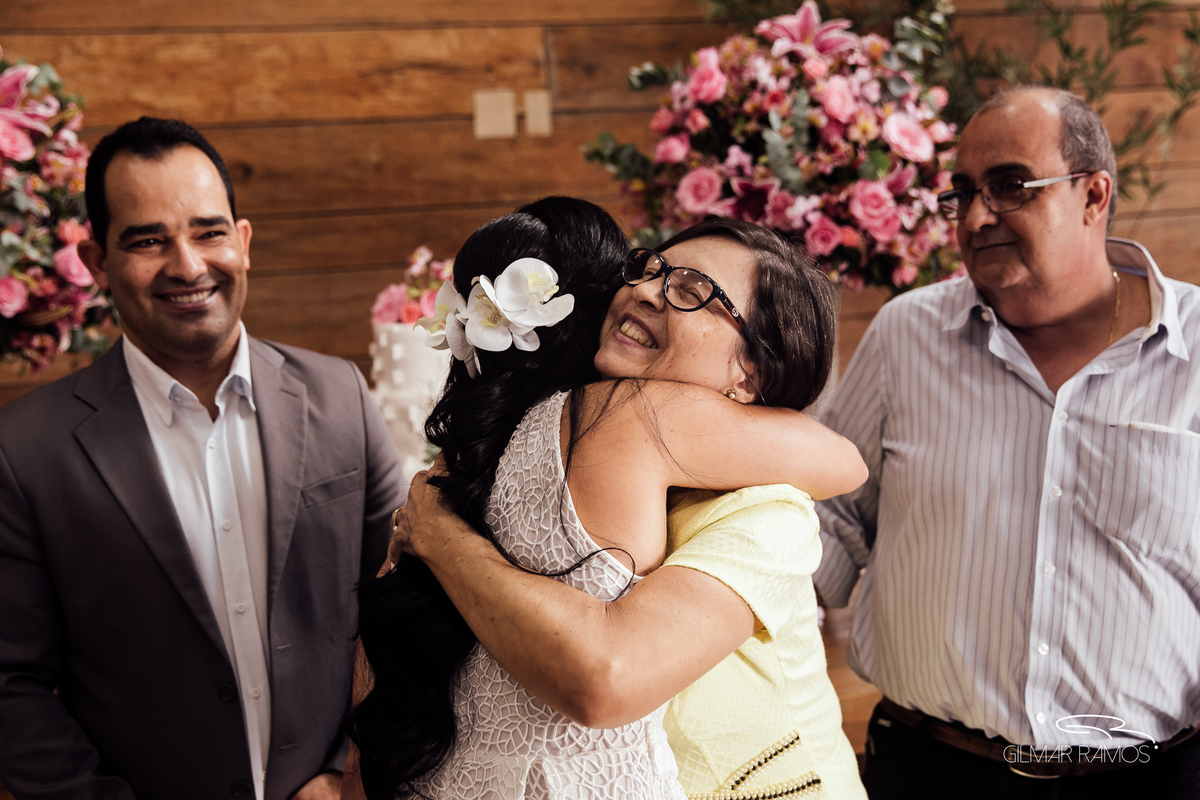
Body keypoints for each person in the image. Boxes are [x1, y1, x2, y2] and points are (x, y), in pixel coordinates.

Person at [355, 208, 867, 799]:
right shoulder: (548, 438)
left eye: (693, 291)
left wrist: (443, 540)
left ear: (750, 375)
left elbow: (607, 678)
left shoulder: (766, 508)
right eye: (650, 268)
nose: (646, 290)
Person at [0, 117, 407, 800]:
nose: (187, 265)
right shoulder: (25, 450)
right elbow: (9, 686)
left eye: (208, 231)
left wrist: (350, 767)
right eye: (148, 240)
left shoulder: (341, 396)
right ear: (98, 262)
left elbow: (402, 611)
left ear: (243, 243)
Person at [814, 86, 1200, 799]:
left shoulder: (1196, 351)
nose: (977, 214)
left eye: (1010, 185)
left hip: (1147, 780)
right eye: (961, 192)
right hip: (928, 770)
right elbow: (832, 520)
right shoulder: (906, 337)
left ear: (1093, 194)